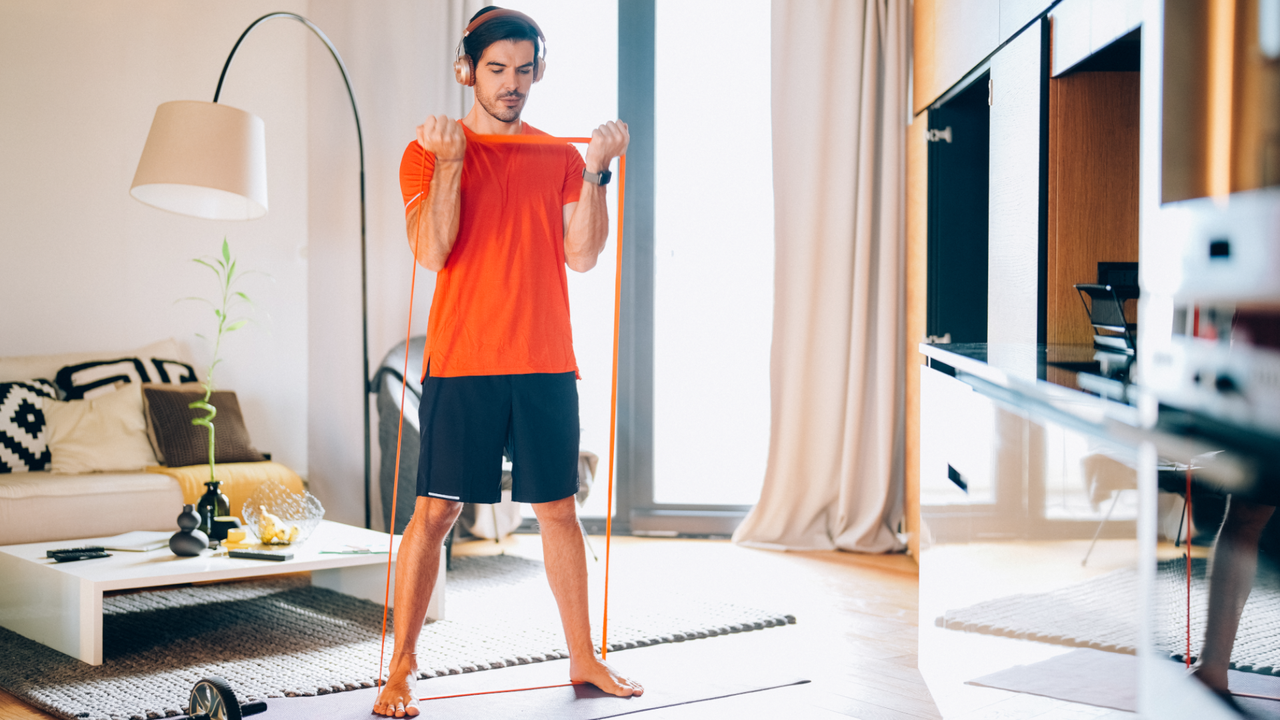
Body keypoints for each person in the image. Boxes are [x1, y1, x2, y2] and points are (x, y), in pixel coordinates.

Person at [372, 7, 638, 717]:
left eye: (524, 69)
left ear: (539, 69)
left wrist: (595, 174)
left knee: (558, 508)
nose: (512, 83)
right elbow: (432, 250)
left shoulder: (556, 156)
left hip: (546, 360)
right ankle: (400, 668)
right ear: (467, 71)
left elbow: (582, 255)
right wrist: (455, 162)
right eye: (497, 70)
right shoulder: (427, 151)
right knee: (435, 513)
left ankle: (584, 657)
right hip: (464, 362)